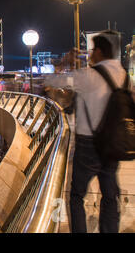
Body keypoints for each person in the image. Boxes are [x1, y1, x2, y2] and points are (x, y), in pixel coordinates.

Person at [45, 34, 129, 233]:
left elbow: (51, 82)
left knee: (76, 196)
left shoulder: (87, 76)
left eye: (92, 51)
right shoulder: (125, 76)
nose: (90, 55)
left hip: (87, 145)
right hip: (113, 145)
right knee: (110, 196)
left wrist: (63, 63)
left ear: (99, 51)